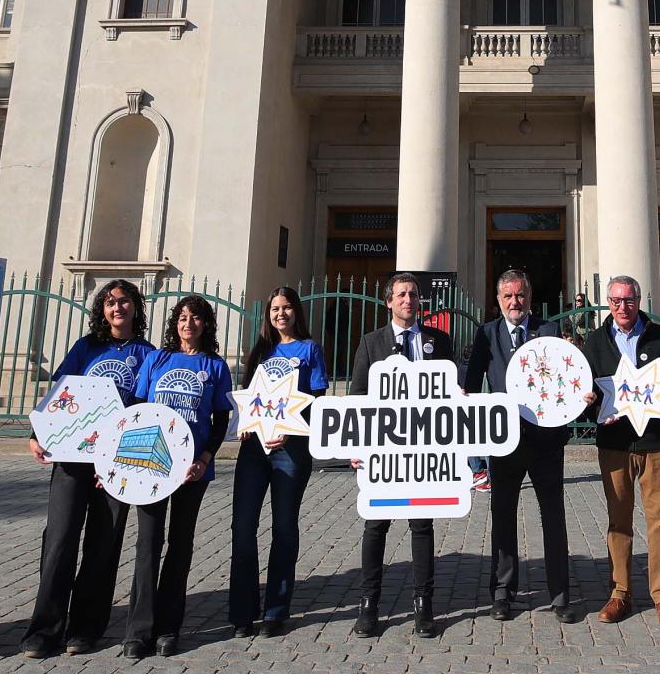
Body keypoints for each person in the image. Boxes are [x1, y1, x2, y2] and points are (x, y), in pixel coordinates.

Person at [19, 279, 156, 659]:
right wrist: (37, 432)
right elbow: (59, 392)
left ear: (135, 308)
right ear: (102, 309)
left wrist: (122, 458)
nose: (117, 308)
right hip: (71, 457)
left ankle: (85, 629)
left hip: (116, 464)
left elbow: (145, 412)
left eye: (124, 302)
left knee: (102, 545)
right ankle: (43, 630)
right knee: (60, 539)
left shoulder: (147, 354)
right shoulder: (86, 347)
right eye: (110, 302)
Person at [121, 295, 231, 659]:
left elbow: (220, 422)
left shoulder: (215, 366)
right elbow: (135, 413)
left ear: (206, 324)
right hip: (150, 466)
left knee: (180, 546)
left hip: (191, 470)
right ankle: (138, 631)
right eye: (182, 317)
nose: (188, 324)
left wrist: (204, 458)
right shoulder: (156, 359)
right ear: (175, 323)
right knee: (147, 546)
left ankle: (169, 628)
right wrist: (121, 463)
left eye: (195, 318)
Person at [463, 269, 576, 623]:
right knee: (503, 517)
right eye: (508, 296)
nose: (515, 302)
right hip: (504, 441)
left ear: (530, 298)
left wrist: (580, 395)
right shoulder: (486, 334)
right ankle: (502, 592)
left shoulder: (549, 331)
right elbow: (468, 382)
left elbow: (568, 379)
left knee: (553, 518)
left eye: (521, 295)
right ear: (498, 300)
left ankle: (559, 595)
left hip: (545, 441)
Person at [579, 275, 660, 629]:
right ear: (607, 303)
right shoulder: (595, 342)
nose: (622, 307)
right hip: (614, 444)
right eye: (615, 301)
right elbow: (585, 392)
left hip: (655, 442)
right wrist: (591, 409)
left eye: (628, 300)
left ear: (638, 300)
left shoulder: (659, 335)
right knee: (618, 521)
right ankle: (620, 593)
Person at [350, 272, 454, 638]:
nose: (408, 300)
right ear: (389, 302)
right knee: (375, 525)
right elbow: (358, 399)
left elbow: (450, 397)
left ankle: (423, 606)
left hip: (423, 453)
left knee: (421, 526)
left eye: (413, 294)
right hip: (382, 453)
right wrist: (355, 447)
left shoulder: (438, 341)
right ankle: (368, 605)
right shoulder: (371, 343)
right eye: (401, 295)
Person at [230, 285, 330, 638]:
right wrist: (245, 424)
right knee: (243, 528)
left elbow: (318, 398)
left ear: (296, 312)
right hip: (254, 451)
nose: (280, 314)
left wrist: (291, 428)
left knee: (284, 528)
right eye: (275, 309)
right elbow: (248, 398)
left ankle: (276, 610)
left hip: (290, 449)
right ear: (268, 314)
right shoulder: (260, 351)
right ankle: (242, 610)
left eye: (286, 308)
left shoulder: (309, 349)